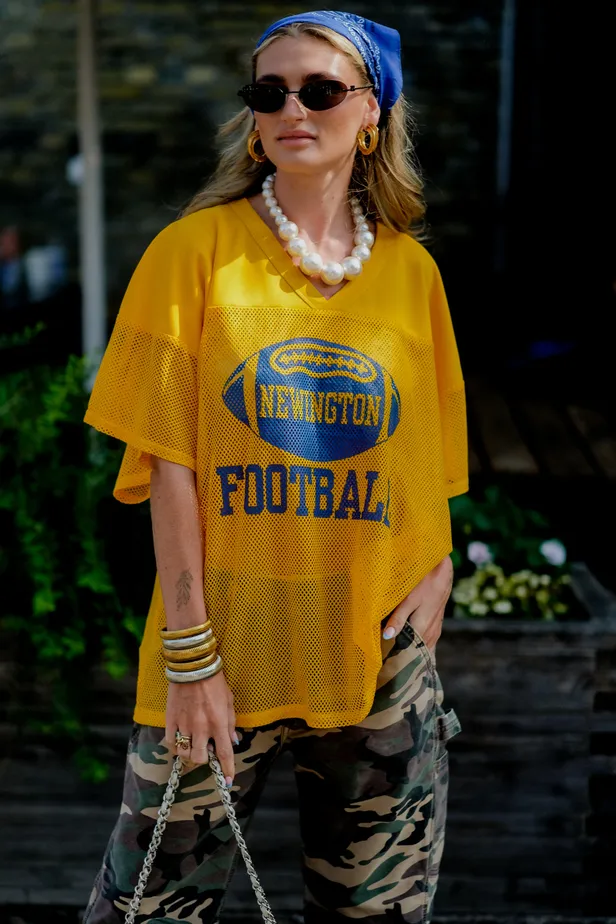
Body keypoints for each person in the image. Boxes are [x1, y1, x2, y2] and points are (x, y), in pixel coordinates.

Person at [82, 10, 468, 924]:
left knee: (378, 917)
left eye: (321, 90)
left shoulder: (413, 273)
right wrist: (188, 655)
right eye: (270, 92)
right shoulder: (193, 255)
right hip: (221, 651)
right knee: (146, 911)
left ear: (372, 111)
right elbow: (166, 461)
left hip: (378, 657)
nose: (293, 107)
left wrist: (443, 559)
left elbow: (432, 448)